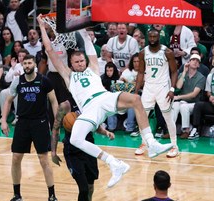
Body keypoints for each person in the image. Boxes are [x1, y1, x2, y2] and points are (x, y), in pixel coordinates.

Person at [38, 15, 173, 188]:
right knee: (75, 139)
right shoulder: (68, 75)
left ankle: (151, 143)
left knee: (136, 99)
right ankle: (114, 163)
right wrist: (42, 26)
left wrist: (80, 26)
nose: (80, 63)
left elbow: (87, 42)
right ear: (70, 64)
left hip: (105, 97)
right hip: (90, 108)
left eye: (81, 60)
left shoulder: (93, 68)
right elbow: (49, 50)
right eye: (76, 62)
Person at [1, 55, 59, 201]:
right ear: (22, 65)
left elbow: (54, 101)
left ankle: (52, 198)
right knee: (15, 158)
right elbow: (8, 100)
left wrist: (57, 122)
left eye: (29, 63)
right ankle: (17, 196)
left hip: (40, 123)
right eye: (24, 63)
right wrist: (4, 120)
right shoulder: (17, 81)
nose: (27, 65)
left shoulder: (44, 80)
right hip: (22, 123)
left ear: (34, 64)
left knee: (43, 159)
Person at [134, 29, 179, 158]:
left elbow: (174, 72)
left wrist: (172, 89)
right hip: (148, 87)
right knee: (142, 117)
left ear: (159, 37)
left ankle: (174, 146)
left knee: (168, 118)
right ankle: (144, 143)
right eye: (150, 37)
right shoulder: (143, 53)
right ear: (148, 38)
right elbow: (141, 73)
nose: (152, 39)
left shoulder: (167, 52)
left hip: (163, 87)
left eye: (155, 36)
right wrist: (136, 91)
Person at [173, 54, 206, 139]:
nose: (195, 62)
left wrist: (179, 97)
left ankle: (186, 131)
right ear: (189, 62)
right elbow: (178, 86)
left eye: (197, 61)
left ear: (199, 65)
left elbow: (194, 95)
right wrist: (184, 72)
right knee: (175, 105)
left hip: (194, 103)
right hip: (183, 101)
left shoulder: (201, 77)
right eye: (193, 60)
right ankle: (170, 130)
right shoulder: (182, 74)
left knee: (184, 106)